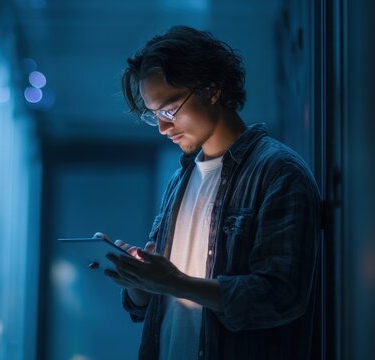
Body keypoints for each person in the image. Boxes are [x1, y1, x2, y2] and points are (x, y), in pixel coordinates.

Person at [92, 26, 321, 360]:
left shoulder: (279, 173)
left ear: (212, 89)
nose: (162, 127)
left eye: (169, 110)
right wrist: (139, 282)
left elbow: (282, 296)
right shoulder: (179, 181)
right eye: (153, 115)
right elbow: (155, 306)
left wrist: (175, 282)